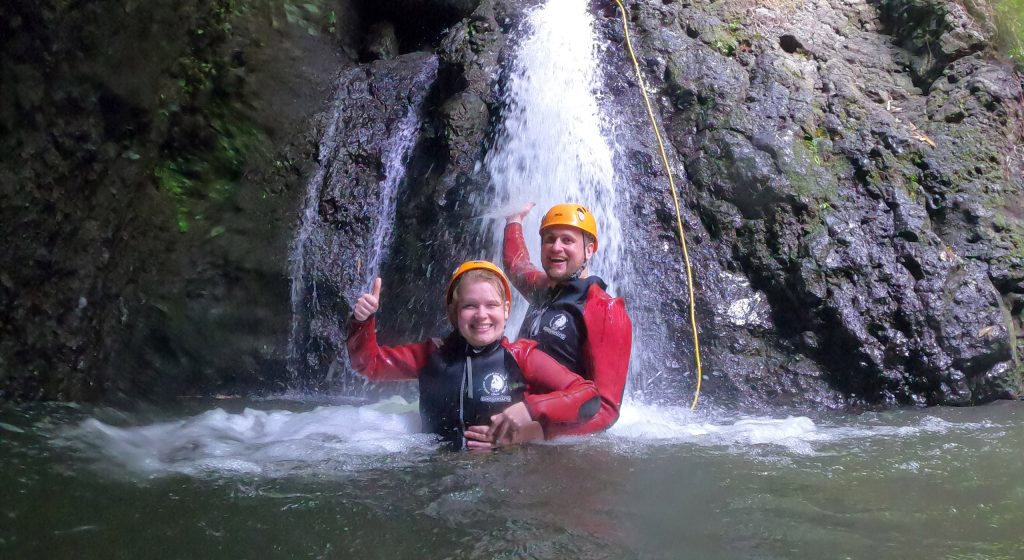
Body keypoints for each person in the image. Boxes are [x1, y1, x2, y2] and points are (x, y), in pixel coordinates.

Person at [347, 260, 600, 450]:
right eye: (470, 306)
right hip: (435, 471)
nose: (482, 315)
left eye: (491, 305)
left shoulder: (522, 356)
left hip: (503, 474)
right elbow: (369, 364)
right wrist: (362, 322)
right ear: (453, 312)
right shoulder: (430, 354)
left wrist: (529, 411)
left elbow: (589, 396)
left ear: (506, 311)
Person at [503, 203, 632, 436]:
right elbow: (516, 265)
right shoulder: (543, 288)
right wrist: (514, 221)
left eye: (567, 240)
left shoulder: (605, 310)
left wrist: (540, 433)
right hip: (515, 421)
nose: (556, 247)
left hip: (557, 443)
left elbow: (605, 410)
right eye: (549, 239)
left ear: (589, 250)